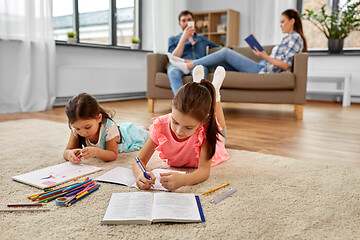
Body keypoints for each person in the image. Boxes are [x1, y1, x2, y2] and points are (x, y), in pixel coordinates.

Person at [132, 65, 230, 191]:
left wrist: (184, 180)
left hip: (212, 131)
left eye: (188, 127)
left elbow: (204, 171)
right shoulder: (161, 125)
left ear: (202, 121)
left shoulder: (205, 129)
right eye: (175, 121)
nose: (179, 131)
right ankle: (198, 88)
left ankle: (215, 96)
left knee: (221, 131)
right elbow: (139, 160)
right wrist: (140, 174)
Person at [168, 9, 308, 75]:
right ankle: (191, 67)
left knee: (224, 52)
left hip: (262, 70)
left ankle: (189, 65)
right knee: (219, 63)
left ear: (292, 21)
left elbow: (285, 65)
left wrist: (264, 57)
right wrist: (261, 54)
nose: (281, 25)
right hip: (262, 65)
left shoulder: (295, 38)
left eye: (283, 22)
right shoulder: (288, 38)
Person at [63, 93, 148, 163]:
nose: (83, 133)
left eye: (87, 127)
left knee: (147, 134)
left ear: (99, 118)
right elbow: (67, 151)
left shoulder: (110, 128)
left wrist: (96, 152)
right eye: (77, 129)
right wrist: (69, 154)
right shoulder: (77, 128)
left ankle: (145, 128)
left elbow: (113, 155)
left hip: (129, 135)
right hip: (118, 130)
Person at [167, 10, 219, 94]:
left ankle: (196, 102)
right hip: (179, 65)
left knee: (200, 71)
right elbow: (174, 57)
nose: (187, 23)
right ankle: (182, 103)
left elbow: (219, 49)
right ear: (180, 24)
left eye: (189, 20)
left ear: (193, 21)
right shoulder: (173, 39)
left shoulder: (202, 38)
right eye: (184, 20)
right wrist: (183, 38)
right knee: (172, 72)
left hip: (197, 64)